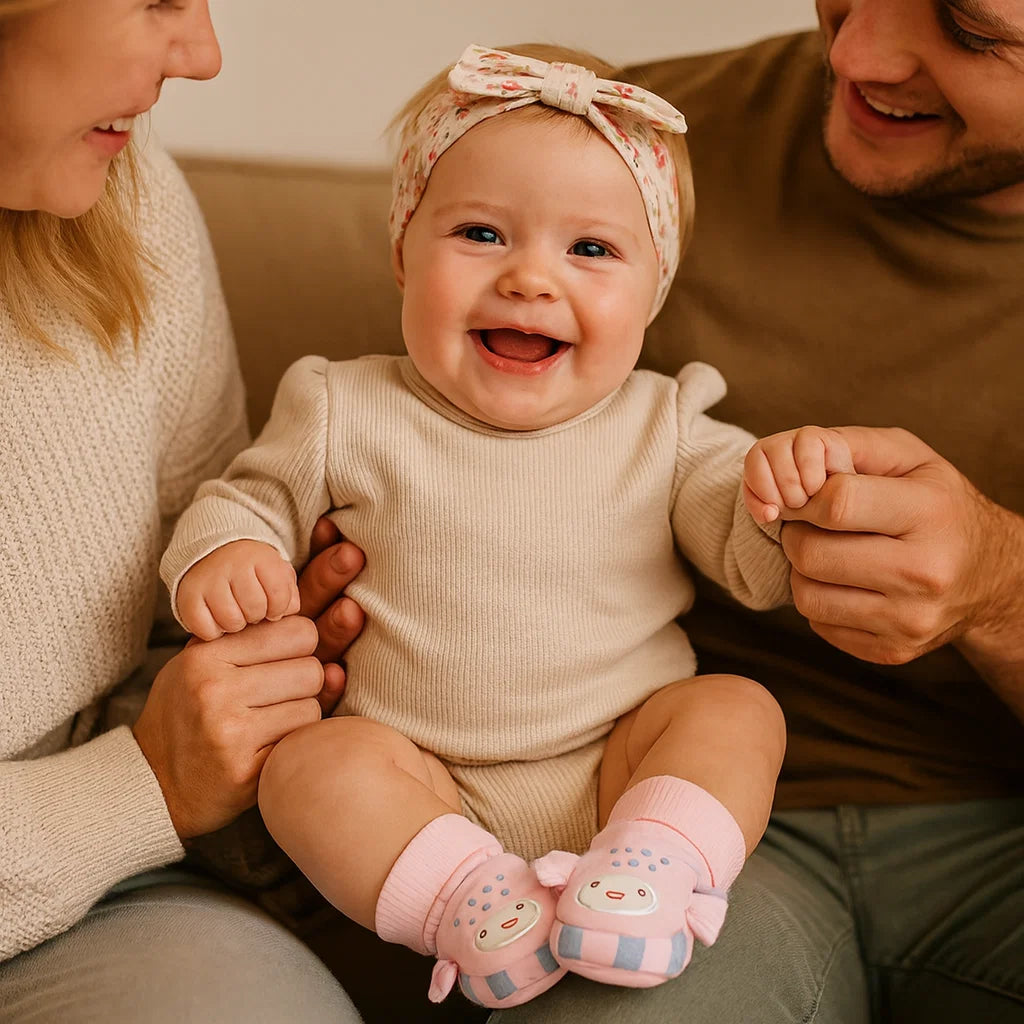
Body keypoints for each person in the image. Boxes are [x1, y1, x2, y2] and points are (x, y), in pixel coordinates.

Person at [159, 42, 867, 1011]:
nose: (531, 278)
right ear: (402, 252)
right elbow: (245, 498)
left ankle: (656, 869)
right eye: (482, 233)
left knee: (738, 710)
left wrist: (785, 500)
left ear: (654, 292)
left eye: (590, 250)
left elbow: (749, 560)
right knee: (308, 768)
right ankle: (469, 904)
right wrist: (228, 551)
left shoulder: (664, 423)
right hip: (417, 783)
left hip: (619, 767)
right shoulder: (340, 406)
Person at [482, 3, 1024, 1022]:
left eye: (970, 26)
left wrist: (1002, 588)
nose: (857, 54)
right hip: (661, 819)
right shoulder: (623, 148)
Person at [0, 1, 365, 1019]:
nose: (203, 56)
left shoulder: (128, 201)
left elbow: (168, 625)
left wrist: (260, 683)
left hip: (98, 889)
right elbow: (149, 777)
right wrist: (145, 783)